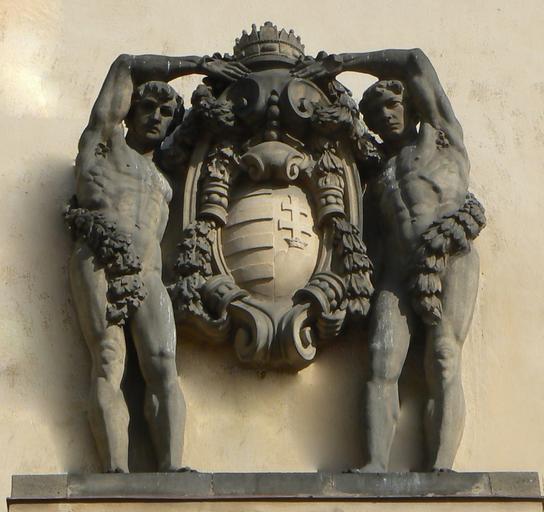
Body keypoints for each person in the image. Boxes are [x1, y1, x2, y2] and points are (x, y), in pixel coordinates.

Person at [294, 49, 484, 471]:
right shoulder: (378, 170)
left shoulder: (442, 138)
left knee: (443, 356)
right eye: (376, 111)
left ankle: (441, 469)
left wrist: (342, 64)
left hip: (449, 256)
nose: (386, 115)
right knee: (381, 360)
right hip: (397, 273)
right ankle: (376, 464)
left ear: (412, 106)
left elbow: (415, 62)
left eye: (392, 104)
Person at [66, 53, 248, 472]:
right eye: (148, 107)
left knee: (164, 363)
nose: (157, 117)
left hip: (148, 273)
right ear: (129, 112)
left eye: (167, 112)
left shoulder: (163, 178)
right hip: (100, 257)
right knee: (109, 358)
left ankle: (170, 468)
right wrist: (201, 65)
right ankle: (115, 470)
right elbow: (125, 66)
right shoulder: (103, 145)